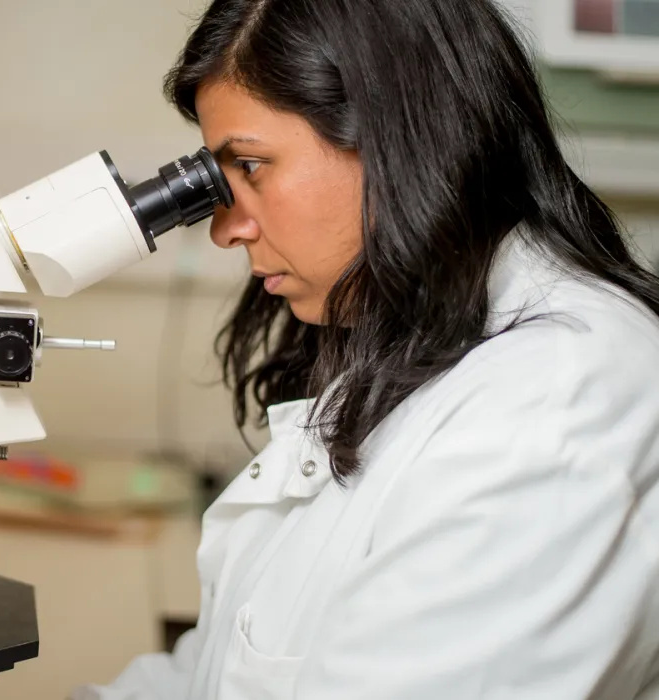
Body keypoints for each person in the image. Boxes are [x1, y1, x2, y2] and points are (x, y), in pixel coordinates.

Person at [70, 0, 659, 698]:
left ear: (398, 141)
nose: (226, 228)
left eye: (251, 167)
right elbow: (215, 670)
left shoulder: (554, 403)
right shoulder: (412, 341)